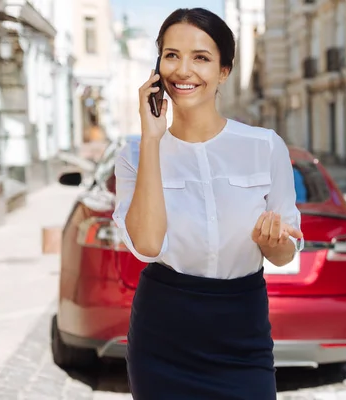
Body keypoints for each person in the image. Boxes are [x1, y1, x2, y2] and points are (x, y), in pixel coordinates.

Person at [112, 8, 303, 399]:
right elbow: (147, 245)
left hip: (242, 327)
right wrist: (151, 138)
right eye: (171, 55)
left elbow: (284, 255)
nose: (183, 70)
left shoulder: (264, 146)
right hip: (163, 331)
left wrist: (273, 244)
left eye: (201, 57)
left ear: (224, 71)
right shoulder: (134, 153)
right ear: (157, 66)